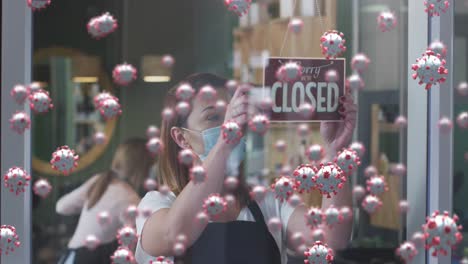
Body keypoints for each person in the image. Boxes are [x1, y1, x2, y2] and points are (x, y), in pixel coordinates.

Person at [135, 73, 356, 264]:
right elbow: (172, 234)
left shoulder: (268, 204)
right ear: (182, 138)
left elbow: (332, 238)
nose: (230, 124)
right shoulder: (156, 205)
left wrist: (334, 153)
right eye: (213, 117)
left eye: (232, 115)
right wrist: (225, 141)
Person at [56, 138, 154, 264]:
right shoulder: (131, 199)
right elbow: (130, 249)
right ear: (143, 169)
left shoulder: (98, 181)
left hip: (70, 256)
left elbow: (61, 206)